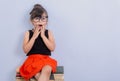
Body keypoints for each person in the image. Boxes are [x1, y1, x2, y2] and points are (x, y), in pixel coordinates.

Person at [18, 4, 57, 81]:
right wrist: (34, 36)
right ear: (32, 21)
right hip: (32, 61)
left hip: (45, 60)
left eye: (43, 19)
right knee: (36, 73)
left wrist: (43, 36)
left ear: (46, 21)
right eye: (37, 19)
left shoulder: (49, 32)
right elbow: (25, 50)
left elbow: (52, 48)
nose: (40, 21)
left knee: (47, 69)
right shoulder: (28, 33)